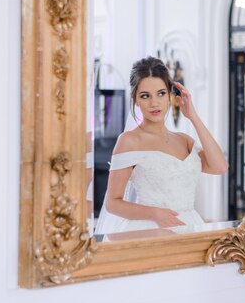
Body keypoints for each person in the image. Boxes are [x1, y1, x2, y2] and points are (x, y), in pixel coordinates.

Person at [94, 56, 228, 235]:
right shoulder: (129, 141)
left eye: (161, 93)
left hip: (191, 227)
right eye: (145, 96)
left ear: (170, 95)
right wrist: (154, 213)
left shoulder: (183, 140)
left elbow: (219, 167)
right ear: (135, 99)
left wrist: (193, 116)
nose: (154, 103)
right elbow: (112, 203)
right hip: (150, 229)